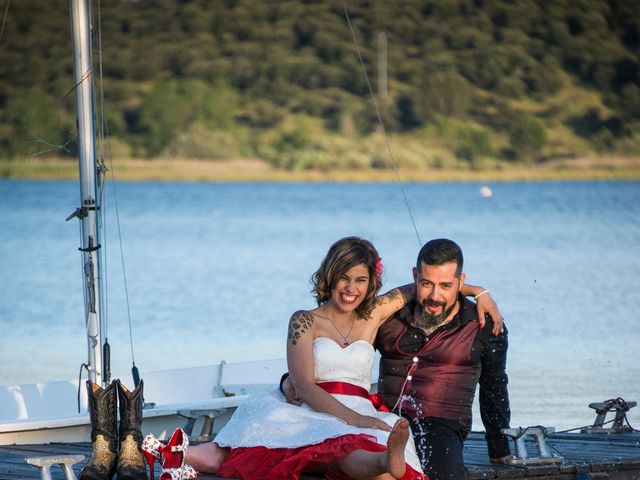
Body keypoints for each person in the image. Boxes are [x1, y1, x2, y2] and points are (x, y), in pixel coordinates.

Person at [144, 237, 427, 479]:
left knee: (373, 451)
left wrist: (473, 293)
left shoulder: (372, 314)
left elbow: (423, 285)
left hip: (360, 407)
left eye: (360, 280)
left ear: (370, 283)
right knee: (334, 449)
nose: (351, 288)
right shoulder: (305, 321)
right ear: (330, 276)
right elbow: (303, 385)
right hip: (311, 408)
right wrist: (356, 421)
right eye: (344, 277)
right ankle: (162, 451)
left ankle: (388, 459)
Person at [374, 238, 511, 479]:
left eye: (446, 286)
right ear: (415, 276)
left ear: (461, 282)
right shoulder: (388, 318)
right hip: (382, 418)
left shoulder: (484, 325)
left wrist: (498, 448)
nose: (435, 296)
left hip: (441, 426)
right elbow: (347, 349)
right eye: (427, 283)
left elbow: (494, 387)